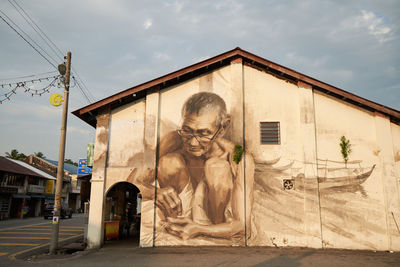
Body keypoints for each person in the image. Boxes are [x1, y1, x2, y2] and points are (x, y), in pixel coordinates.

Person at [154, 92, 255, 241]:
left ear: (223, 127)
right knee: (169, 162)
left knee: (217, 168)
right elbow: (136, 180)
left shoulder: (239, 155)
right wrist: (155, 192)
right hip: (182, 215)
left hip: (215, 223)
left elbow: (243, 227)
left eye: (203, 134)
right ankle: (176, 227)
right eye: (187, 131)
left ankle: (210, 234)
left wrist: (199, 229)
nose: (193, 143)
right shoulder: (173, 140)